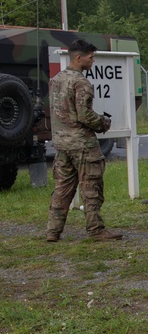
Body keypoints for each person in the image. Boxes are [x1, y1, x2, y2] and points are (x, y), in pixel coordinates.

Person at [44, 40, 122, 242]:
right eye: (91, 57)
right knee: (91, 188)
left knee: (62, 188)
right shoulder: (81, 82)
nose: (93, 61)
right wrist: (104, 123)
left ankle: (53, 231)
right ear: (79, 58)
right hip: (82, 145)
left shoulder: (56, 80)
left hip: (62, 144)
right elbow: (84, 115)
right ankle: (95, 229)